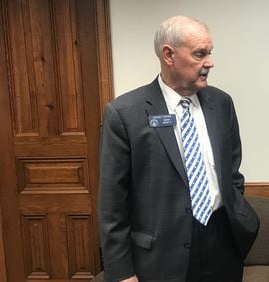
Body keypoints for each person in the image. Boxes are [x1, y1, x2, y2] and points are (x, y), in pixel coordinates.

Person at [98, 16, 259, 282]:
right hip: (160, 255)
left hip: (222, 244)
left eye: (210, 53)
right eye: (200, 54)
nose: (210, 62)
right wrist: (121, 272)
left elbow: (231, 172)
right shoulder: (124, 113)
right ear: (169, 55)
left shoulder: (221, 104)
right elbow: (112, 204)